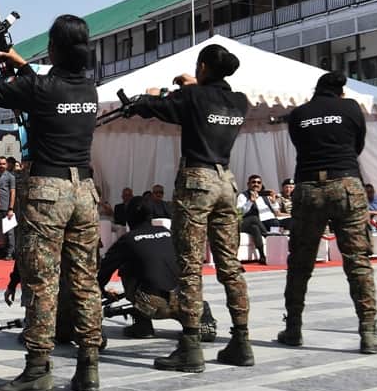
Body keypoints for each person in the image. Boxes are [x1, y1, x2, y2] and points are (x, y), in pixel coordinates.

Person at [0, 14, 103, 391]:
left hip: (47, 191)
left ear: (54, 47)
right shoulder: (89, 89)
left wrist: (12, 71)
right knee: (84, 281)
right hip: (84, 189)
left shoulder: (39, 87)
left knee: (41, 281)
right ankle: (88, 367)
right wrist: (25, 67)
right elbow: (52, 87)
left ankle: (37, 369)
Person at [124, 43, 253, 373]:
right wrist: (195, 87)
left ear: (204, 67)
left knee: (190, 264)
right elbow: (206, 102)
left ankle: (191, 344)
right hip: (227, 181)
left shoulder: (192, 97)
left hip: (197, 179)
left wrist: (147, 97)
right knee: (229, 264)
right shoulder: (240, 102)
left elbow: (157, 105)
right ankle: (241, 340)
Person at [277, 72, 377, 354]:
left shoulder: (298, 114)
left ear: (317, 90)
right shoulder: (350, 108)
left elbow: (300, 146)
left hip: (308, 187)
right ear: (341, 92)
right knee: (357, 261)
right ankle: (369, 333)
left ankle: (293, 329)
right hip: (346, 183)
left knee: (300, 262)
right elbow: (357, 145)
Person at [98, 197, 217, 340]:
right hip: (186, 301)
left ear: (128, 217)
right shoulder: (167, 232)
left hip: (153, 306)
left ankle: (142, 324)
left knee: (127, 266)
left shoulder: (127, 240)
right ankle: (199, 321)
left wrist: (101, 293)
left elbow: (104, 272)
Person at [236, 174, 281, 265]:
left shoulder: (265, 196)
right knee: (254, 218)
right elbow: (239, 213)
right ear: (248, 184)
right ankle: (269, 237)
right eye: (253, 182)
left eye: (258, 182)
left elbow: (276, 211)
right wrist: (251, 201)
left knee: (256, 228)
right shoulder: (243, 196)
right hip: (244, 222)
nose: (256, 184)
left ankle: (262, 256)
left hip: (261, 223)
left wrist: (273, 201)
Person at [0, 155, 16, 259]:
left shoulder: (11, 177)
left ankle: (10, 252)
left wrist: (11, 208)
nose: (1, 166)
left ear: (6, 165)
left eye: (3, 164)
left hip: (6, 207)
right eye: (0, 164)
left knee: (9, 232)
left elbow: (13, 192)